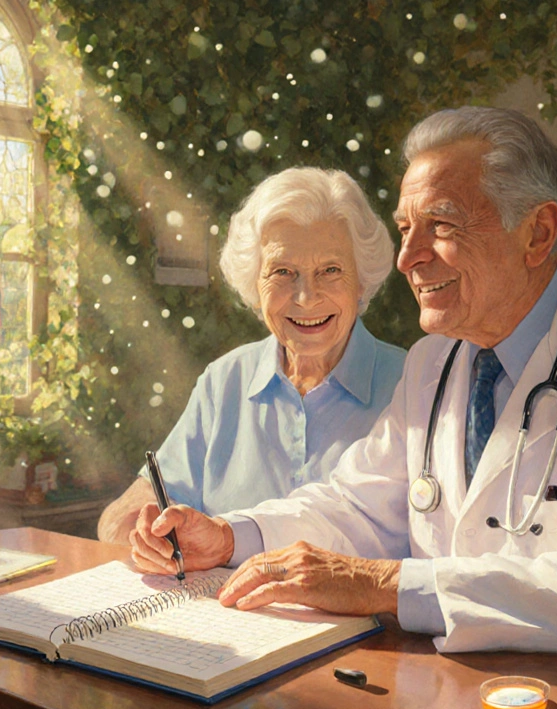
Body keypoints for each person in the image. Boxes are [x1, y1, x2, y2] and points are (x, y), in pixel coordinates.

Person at [130, 107, 557, 667]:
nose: (407, 258)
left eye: (441, 225)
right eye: (405, 228)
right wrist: (231, 537)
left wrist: (389, 586)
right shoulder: (436, 361)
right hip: (473, 684)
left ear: (537, 233)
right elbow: (357, 505)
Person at [97, 167, 407, 545]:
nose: (306, 297)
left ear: (361, 281)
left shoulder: (412, 386)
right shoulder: (225, 379)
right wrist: (141, 528)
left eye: (330, 270)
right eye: (283, 271)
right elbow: (150, 496)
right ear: (254, 284)